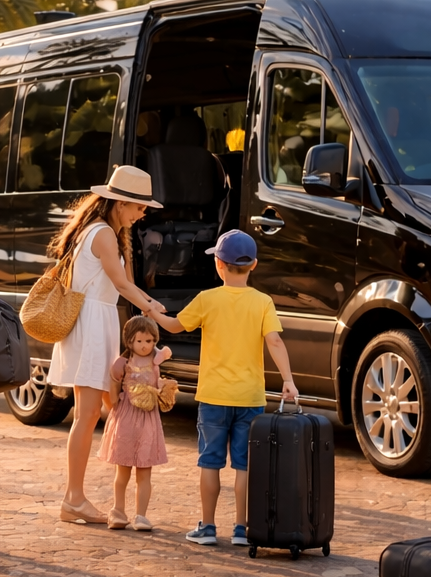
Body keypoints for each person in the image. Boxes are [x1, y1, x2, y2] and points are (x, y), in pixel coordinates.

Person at [147, 229, 299, 547]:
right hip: (250, 397)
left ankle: (208, 527)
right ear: (253, 265)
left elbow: (175, 325)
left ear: (219, 264)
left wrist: (152, 311)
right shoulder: (263, 302)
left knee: (210, 461)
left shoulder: (208, 300)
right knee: (244, 465)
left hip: (214, 397)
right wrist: (288, 379)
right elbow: (274, 340)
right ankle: (242, 529)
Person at [44, 165, 169, 525]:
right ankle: (74, 498)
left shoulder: (101, 232)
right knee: (85, 416)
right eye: (139, 208)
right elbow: (121, 284)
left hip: (97, 323)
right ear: (120, 203)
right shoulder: (103, 235)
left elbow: (121, 284)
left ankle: (83, 497)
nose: (141, 215)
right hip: (91, 325)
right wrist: (153, 308)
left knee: (103, 408)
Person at [98, 314, 176, 531]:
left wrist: (163, 388)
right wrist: (113, 404)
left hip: (148, 419)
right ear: (129, 341)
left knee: (144, 471)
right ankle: (118, 511)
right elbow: (113, 385)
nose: (144, 346)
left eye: (149, 341)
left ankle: (141, 515)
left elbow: (166, 354)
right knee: (122, 470)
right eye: (139, 341)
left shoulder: (155, 359)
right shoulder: (123, 362)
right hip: (126, 417)